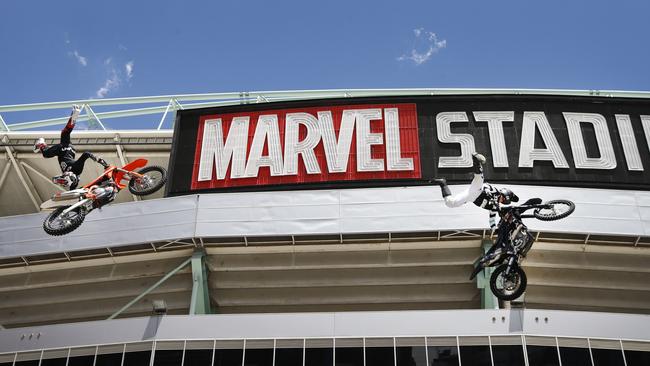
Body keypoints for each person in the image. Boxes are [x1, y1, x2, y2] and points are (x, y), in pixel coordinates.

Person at [432, 152, 519, 232]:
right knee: (479, 178)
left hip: (471, 197)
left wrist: (493, 228)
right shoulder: (495, 192)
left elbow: (492, 218)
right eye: (502, 198)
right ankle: (476, 160)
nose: (501, 201)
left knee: (450, 203)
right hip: (477, 189)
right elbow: (486, 186)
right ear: (503, 193)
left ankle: (442, 183)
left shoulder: (494, 207)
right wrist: (488, 192)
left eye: (503, 201)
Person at [33, 105, 108, 190]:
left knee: (65, 132)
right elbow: (86, 154)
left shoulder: (75, 172)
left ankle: (73, 117)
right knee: (46, 153)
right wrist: (103, 164)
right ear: (73, 178)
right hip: (64, 150)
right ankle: (42, 144)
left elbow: (72, 190)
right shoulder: (77, 170)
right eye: (67, 180)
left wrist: (103, 163)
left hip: (70, 149)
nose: (66, 176)